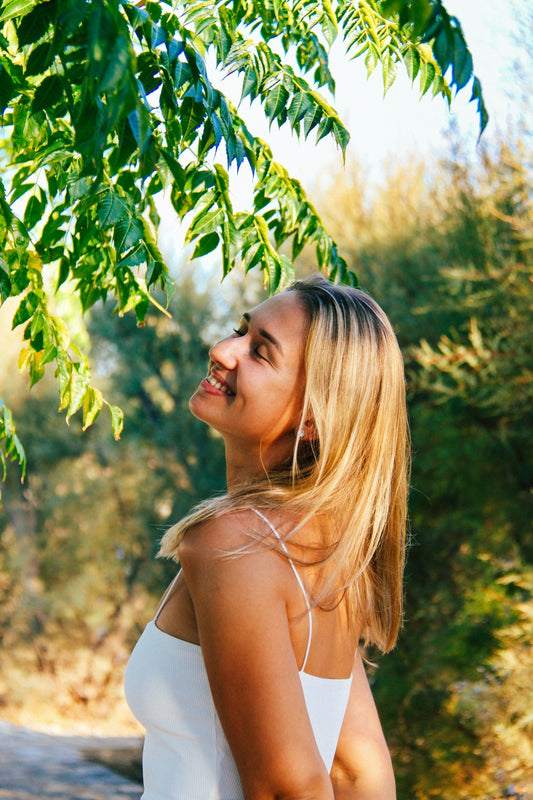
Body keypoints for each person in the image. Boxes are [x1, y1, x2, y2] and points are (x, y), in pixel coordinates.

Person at [124, 273, 409, 800]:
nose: (223, 350)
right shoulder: (324, 558)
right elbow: (357, 771)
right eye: (239, 330)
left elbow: (292, 788)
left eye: (260, 352)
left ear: (311, 419)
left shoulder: (233, 545)